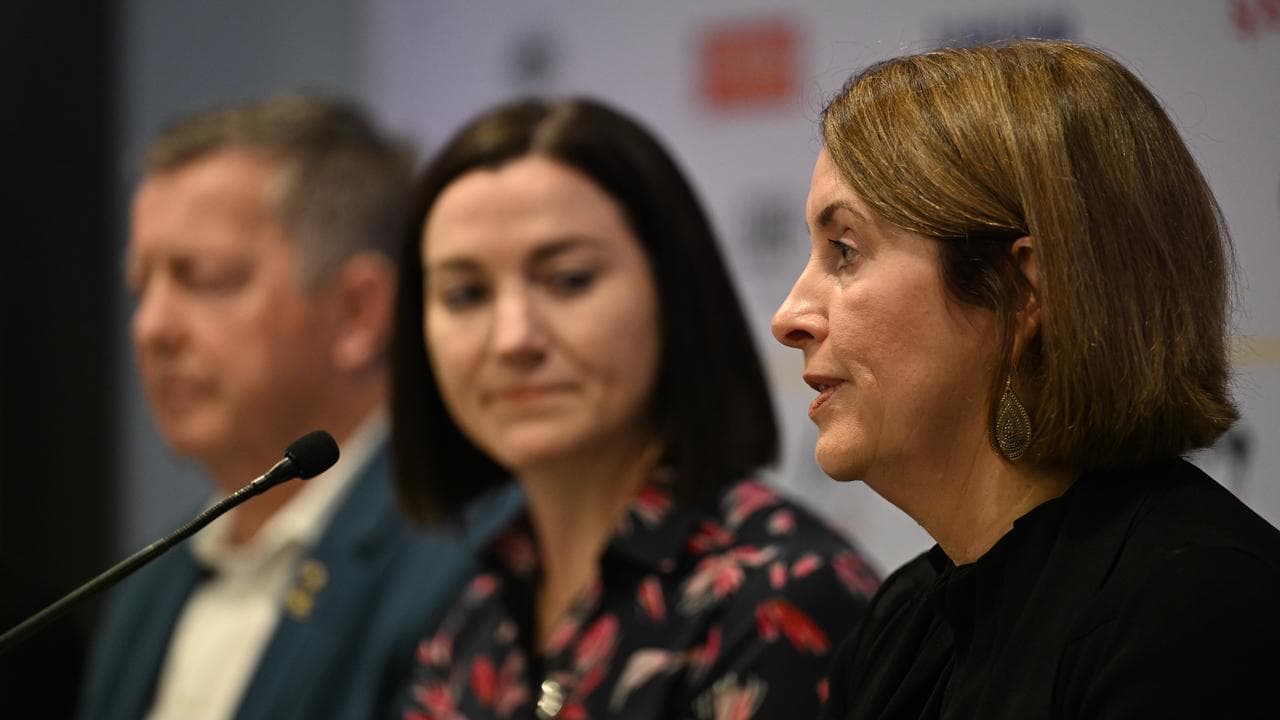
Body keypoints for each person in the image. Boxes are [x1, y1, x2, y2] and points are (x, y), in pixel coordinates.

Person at [770, 39, 1280, 719]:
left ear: (1022, 289)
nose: (789, 317)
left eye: (845, 251)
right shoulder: (901, 625)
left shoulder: (1198, 610)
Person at [390, 97, 880, 719]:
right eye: (465, 294)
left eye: (569, 280)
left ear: (671, 292)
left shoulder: (781, 596)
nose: (513, 338)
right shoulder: (475, 607)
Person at [78, 96, 513, 720]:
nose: (151, 329)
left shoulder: (467, 558)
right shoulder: (145, 587)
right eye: (142, 287)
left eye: (203, 278)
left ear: (357, 313)